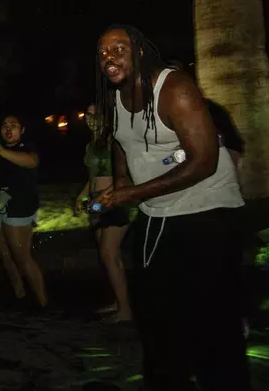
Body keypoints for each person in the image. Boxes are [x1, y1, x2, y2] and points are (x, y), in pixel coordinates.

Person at [94, 24, 250, 390]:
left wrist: (133, 194)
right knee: (156, 321)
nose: (109, 57)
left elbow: (205, 160)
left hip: (208, 212)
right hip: (157, 216)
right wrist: (122, 181)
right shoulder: (113, 99)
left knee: (212, 326)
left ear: (142, 51)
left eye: (119, 48)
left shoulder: (174, 88)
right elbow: (121, 143)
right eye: (102, 53)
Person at [75, 103, 132, 323]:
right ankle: (118, 301)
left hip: (114, 200)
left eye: (95, 114)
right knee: (107, 255)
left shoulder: (113, 141)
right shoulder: (91, 145)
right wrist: (81, 196)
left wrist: (107, 195)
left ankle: (125, 310)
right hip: (97, 203)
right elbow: (92, 179)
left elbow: (124, 176)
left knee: (109, 254)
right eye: (87, 115)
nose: (91, 119)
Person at [0, 115, 48, 309]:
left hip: (19, 207)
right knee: (4, 254)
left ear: (23, 130)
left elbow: (31, 162)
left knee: (22, 256)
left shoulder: (26, 147)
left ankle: (43, 302)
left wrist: (2, 151)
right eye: (4, 126)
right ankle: (19, 294)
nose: (8, 129)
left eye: (14, 126)